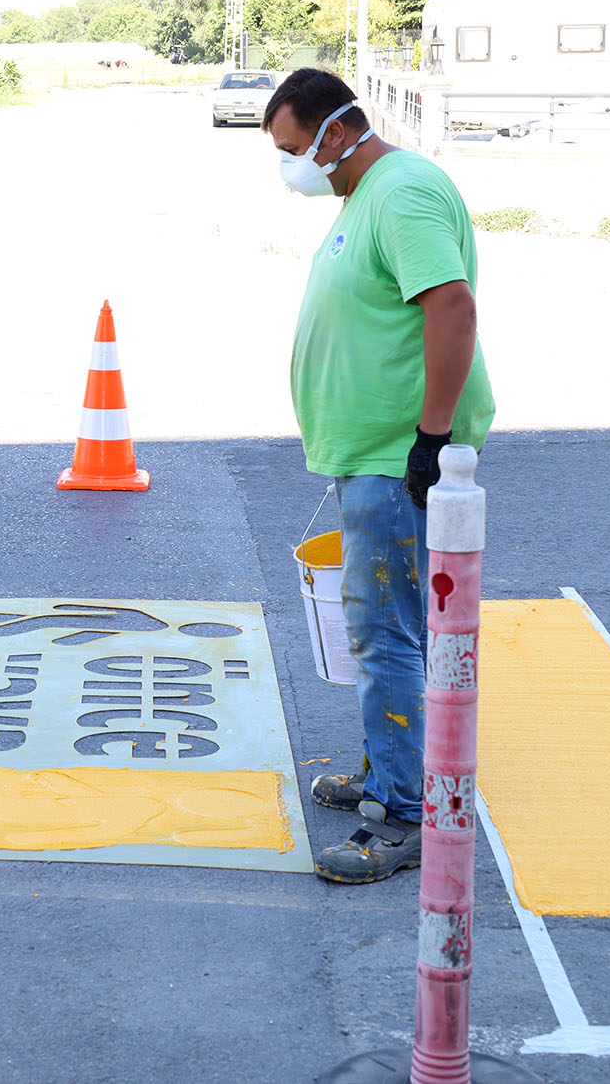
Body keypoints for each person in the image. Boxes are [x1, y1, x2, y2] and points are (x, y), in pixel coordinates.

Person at [264, 69, 495, 884]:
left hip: (398, 459)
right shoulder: (364, 196)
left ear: (335, 133)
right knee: (383, 629)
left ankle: (401, 816)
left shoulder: (400, 193)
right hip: (368, 452)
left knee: (387, 633)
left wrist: (430, 441)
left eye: (294, 150)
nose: (290, 167)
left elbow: (452, 307)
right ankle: (389, 769)